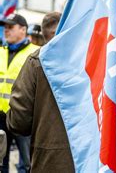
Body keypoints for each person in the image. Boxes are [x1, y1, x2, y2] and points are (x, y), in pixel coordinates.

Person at [6, 12, 74, 172]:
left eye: (11, 27)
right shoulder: (97, 58)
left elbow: (18, 121)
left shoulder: (37, 60)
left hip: (50, 162)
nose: (6, 31)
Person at [0, 14, 39, 173]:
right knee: (1, 162)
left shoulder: (36, 53)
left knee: (28, 163)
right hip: (0, 117)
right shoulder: (1, 51)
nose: (6, 30)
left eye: (11, 27)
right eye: (5, 27)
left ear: (23, 30)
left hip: (23, 116)